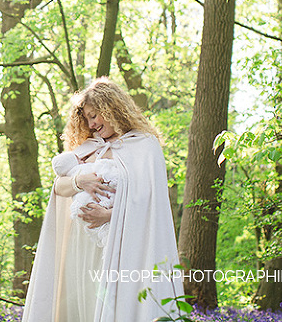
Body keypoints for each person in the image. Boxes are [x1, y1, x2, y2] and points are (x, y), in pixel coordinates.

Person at [21, 77, 183, 322]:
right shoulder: (90, 148)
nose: (92, 123)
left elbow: (151, 207)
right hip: (82, 251)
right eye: (87, 118)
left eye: (95, 115)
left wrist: (110, 216)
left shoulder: (144, 147)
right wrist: (80, 182)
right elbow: (59, 188)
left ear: (113, 108)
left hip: (122, 248)